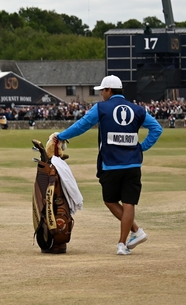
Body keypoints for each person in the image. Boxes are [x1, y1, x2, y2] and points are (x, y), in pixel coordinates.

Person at [54, 75, 162, 256]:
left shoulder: (101, 108)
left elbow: (82, 125)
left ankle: (131, 236)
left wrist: (61, 136)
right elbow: (157, 129)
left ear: (109, 91)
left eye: (102, 91)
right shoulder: (137, 109)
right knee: (129, 203)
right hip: (133, 164)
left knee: (110, 201)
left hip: (110, 164)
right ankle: (127, 239)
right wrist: (141, 148)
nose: (101, 95)